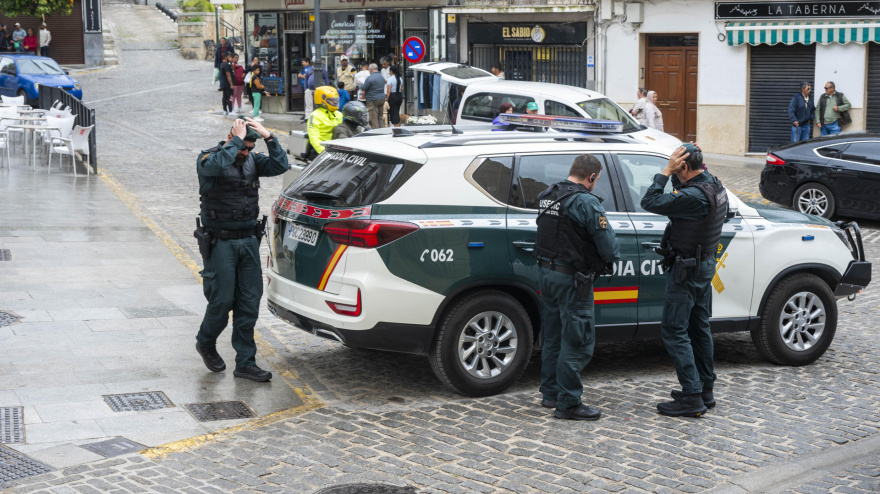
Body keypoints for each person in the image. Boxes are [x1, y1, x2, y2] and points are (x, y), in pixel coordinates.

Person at [194, 116, 289, 383]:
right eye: (242, 147)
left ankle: (245, 362)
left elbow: (280, 164)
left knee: (249, 302)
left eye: (249, 148)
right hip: (220, 241)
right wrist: (234, 141)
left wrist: (269, 137)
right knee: (222, 300)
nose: (245, 153)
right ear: (230, 139)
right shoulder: (209, 158)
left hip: (248, 241)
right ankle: (206, 341)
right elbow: (216, 166)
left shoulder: (252, 160)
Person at [640, 143, 727, 418]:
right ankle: (705, 389)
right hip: (703, 267)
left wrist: (665, 171)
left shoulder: (692, 197)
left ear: (685, 168)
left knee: (674, 329)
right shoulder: (714, 185)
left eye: (678, 169)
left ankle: (691, 396)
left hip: (687, 270)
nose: (675, 175)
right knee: (699, 327)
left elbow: (650, 201)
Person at [535, 154, 620, 421]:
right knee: (578, 339)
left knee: (554, 336)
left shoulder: (548, 194)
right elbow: (608, 246)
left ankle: (550, 393)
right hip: (572, 279)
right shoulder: (584, 201)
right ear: (592, 177)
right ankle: (569, 402)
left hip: (546, 273)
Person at [307, 86, 343, 155]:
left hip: (336, 149)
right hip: (322, 150)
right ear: (322, 101)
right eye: (331, 100)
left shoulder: (338, 114)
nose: (335, 102)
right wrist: (325, 153)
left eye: (336, 100)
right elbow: (314, 138)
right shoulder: (315, 116)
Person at [361, 63, 386, 129]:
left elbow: (364, 87)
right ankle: (383, 132)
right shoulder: (381, 77)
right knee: (380, 117)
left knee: (373, 119)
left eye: (369, 70)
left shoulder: (370, 78)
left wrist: (360, 84)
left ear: (371, 69)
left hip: (373, 99)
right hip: (381, 98)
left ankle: (376, 134)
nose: (369, 71)